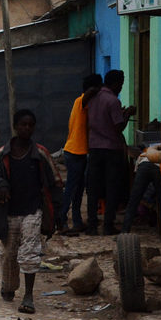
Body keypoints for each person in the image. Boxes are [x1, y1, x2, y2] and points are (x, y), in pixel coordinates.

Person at [0, 109, 62, 315]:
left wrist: (57, 213)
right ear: (16, 127)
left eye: (30, 125)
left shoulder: (41, 153)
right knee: (10, 254)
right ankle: (8, 285)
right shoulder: (3, 154)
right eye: (23, 125)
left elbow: (55, 182)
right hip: (9, 212)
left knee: (30, 253)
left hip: (33, 210)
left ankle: (28, 296)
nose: (27, 128)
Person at [85, 70, 135, 236]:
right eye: (121, 83)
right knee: (111, 187)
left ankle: (92, 226)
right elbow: (118, 126)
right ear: (115, 83)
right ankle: (108, 225)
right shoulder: (113, 101)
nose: (121, 87)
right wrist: (126, 114)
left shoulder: (92, 98)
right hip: (111, 149)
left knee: (93, 188)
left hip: (94, 148)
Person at [57, 74, 102, 234]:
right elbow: (90, 93)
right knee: (71, 189)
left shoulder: (84, 104)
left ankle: (76, 221)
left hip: (79, 151)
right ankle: (61, 220)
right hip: (75, 151)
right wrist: (98, 90)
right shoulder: (81, 101)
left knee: (77, 189)